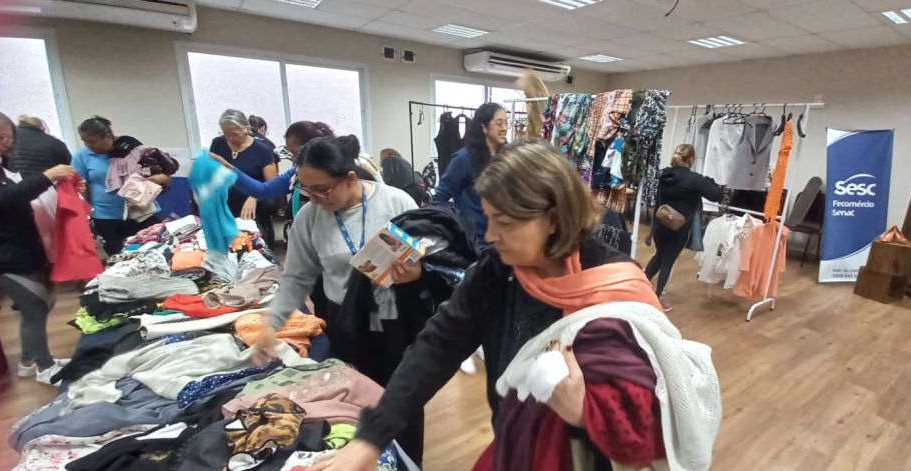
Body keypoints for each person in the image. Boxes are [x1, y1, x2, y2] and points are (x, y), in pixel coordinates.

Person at [307, 139, 671, 471]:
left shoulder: (616, 289)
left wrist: (584, 414)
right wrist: (371, 439)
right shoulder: (498, 271)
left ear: (553, 218)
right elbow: (437, 346)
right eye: (489, 218)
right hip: (517, 446)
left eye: (505, 222)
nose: (491, 235)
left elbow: (654, 415)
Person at [250, 135, 420, 458]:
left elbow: (429, 259)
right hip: (347, 322)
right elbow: (296, 277)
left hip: (397, 318)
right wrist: (273, 324)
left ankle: (410, 459)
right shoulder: (310, 217)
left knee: (404, 400)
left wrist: (417, 271)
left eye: (322, 190)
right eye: (307, 190)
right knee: (354, 404)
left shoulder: (396, 203)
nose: (314, 198)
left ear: (350, 178)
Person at [0, 109, 78, 384]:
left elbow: (17, 196)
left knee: (40, 303)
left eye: (9, 136)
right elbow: (5, 199)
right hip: (4, 254)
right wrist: (47, 176)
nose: (7, 142)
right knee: (35, 305)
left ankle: (29, 361)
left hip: (20, 248)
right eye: (1, 137)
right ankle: (44, 366)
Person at [644, 144, 723, 311]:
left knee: (659, 255)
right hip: (678, 227)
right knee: (668, 260)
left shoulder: (664, 174)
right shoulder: (693, 179)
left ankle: (640, 285)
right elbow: (716, 194)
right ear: (691, 159)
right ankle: (657, 299)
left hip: (660, 222)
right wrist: (710, 181)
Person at [72, 116, 166, 255]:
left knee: (153, 251)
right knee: (118, 256)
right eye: (84, 141)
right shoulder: (82, 156)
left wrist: (156, 179)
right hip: (106, 217)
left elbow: (162, 174)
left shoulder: (131, 148)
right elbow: (80, 186)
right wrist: (91, 207)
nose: (87, 145)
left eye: (92, 141)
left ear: (107, 137)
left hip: (142, 212)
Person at [433, 102, 509, 250]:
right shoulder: (464, 158)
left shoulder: (507, 157)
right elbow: (440, 197)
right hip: (475, 242)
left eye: (506, 123)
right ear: (484, 127)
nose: (504, 128)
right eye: (499, 123)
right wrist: (455, 227)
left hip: (502, 239)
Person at [209, 109, 278, 246]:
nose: (230, 138)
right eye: (225, 133)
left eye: (234, 134)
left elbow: (272, 183)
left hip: (253, 206)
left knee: (254, 244)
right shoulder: (218, 144)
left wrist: (254, 196)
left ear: (246, 128)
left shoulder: (262, 150)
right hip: (226, 203)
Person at [6, 115, 71, 177]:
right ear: (41, 127)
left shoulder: (9, 139)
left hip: (19, 182)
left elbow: (8, 164)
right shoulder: (54, 142)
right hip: (48, 181)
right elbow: (69, 167)